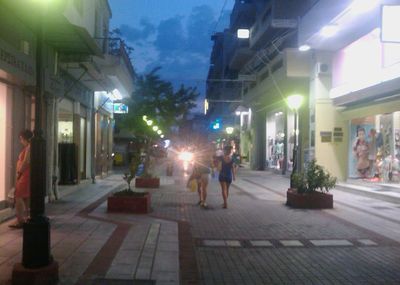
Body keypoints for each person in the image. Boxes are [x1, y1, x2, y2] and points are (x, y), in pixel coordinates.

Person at [9, 130, 33, 229]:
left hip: (24, 175)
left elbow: (26, 162)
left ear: (24, 138)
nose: (20, 141)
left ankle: (20, 220)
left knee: (18, 196)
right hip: (26, 175)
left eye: (21, 139)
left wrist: (19, 173)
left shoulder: (29, 148)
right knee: (26, 197)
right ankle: (26, 218)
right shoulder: (29, 147)